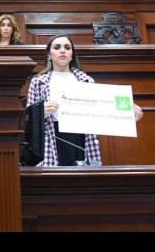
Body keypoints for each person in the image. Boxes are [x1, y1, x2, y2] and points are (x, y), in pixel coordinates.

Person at [26, 35, 143, 166]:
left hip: (81, 137)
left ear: (72, 55)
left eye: (67, 48)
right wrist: (40, 113)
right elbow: (26, 120)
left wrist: (128, 116)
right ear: (49, 54)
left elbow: (102, 111)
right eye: (57, 47)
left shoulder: (87, 81)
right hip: (52, 138)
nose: (62, 50)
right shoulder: (38, 82)